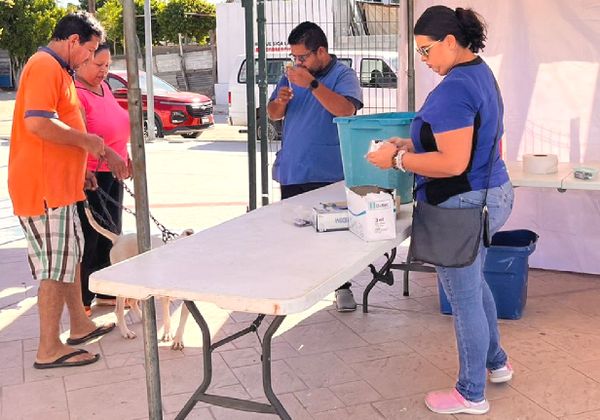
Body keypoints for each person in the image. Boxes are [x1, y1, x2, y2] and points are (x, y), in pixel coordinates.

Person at [367, 6, 514, 415]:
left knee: (463, 296)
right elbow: (456, 139)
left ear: (452, 41)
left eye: (427, 50)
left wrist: (395, 161)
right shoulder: (477, 72)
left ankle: (471, 393)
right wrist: (409, 145)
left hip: (463, 203)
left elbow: (452, 163)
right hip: (490, 193)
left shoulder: (454, 88)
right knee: (473, 284)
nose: (424, 60)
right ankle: (496, 363)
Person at [8, 12, 116, 369]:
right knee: (54, 269)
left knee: (69, 259)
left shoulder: (59, 69)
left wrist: (79, 170)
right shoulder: (44, 66)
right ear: (73, 42)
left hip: (61, 187)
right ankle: (48, 348)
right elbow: (38, 123)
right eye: (90, 50)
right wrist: (90, 142)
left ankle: (80, 325)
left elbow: (57, 125)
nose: (91, 58)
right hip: (44, 189)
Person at [267, 21, 363, 312]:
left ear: (321, 51)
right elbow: (272, 114)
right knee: (294, 232)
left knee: (334, 236)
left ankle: (341, 287)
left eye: (303, 57)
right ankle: (297, 287)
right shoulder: (290, 76)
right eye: (295, 57)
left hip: (329, 171)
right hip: (294, 168)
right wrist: (281, 102)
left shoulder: (343, 75)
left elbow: (346, 110)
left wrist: (310, 83)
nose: (298, 62)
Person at [74, 44, 130, 316]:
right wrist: (110, 156)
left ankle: (107, 290)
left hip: (112, 171)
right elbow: (82, 133)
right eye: (99, 65)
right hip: (92, 173)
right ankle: (84, 296)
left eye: (107, 65)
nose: (104, 71)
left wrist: (124, 154)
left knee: (112, 234)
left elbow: (116, 123)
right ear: (83, 62)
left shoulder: (104, 87)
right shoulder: (76, 92)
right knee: (92, 236)